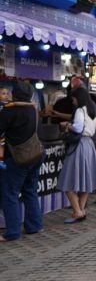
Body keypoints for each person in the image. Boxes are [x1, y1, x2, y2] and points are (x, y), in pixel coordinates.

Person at [0, 82, 44, 241]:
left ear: (14, 94)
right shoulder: (33, 109)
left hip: (18, 158)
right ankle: (34, 225)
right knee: (30, 190)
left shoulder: (9, 111)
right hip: (36, 154)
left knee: (10, 194)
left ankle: (12, 232)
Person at [57, 87, 96, 224]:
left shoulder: (80, 110)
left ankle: (77, 211)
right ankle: (81, 211)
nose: (73, 101)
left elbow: (77, 128)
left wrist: (67, 125)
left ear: (78, 98)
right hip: (89, 145)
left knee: (68, 181)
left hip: (79, 145)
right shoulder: (91, 111)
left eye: (74, 98)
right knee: (86, 181)